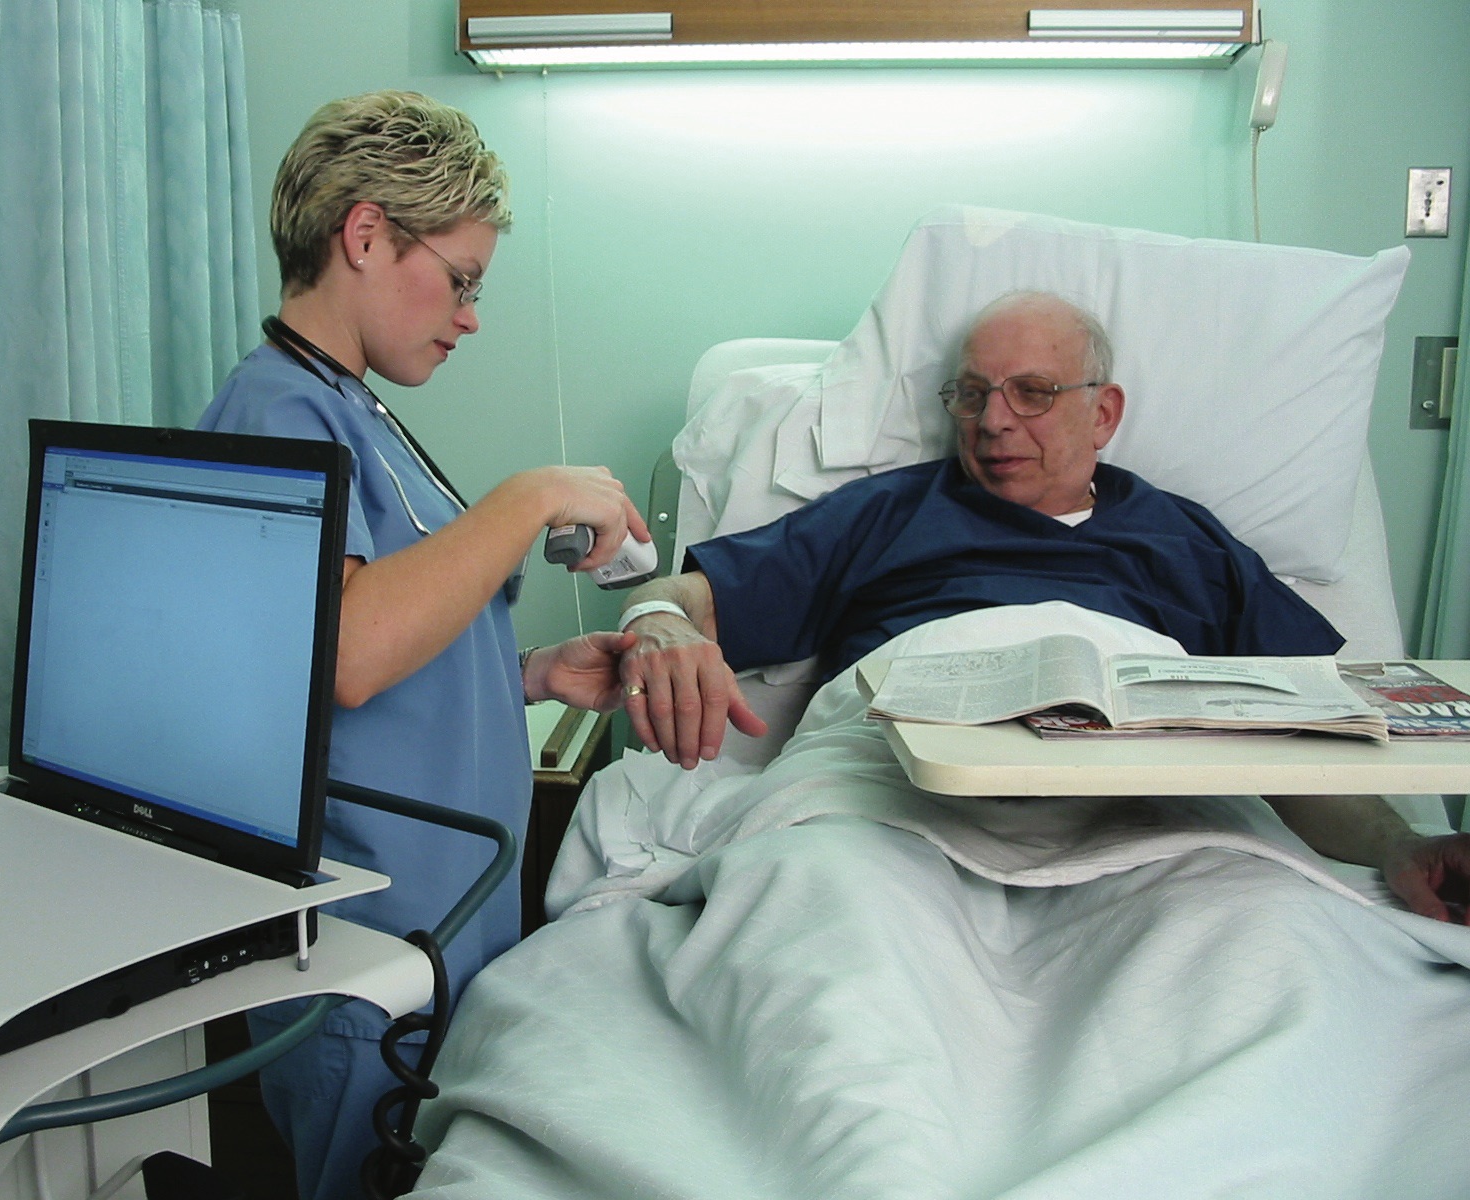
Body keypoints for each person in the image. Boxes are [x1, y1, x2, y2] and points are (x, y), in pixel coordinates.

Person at [614, 290, 1470, 923]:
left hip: (1156, 814)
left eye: (1032, 391)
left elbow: (1305, 738)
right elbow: (685, 597)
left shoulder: (1187, 542)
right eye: (972, 393)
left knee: (1252, 934)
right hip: (889, 798)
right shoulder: (887, 512)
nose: (993, 421)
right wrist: (655, 622)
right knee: (824, 920)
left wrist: (1400, 846)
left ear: (1104, 413)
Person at [196, 91, 650, 1199]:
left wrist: (528, 674)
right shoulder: (276, 412)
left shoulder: (350, 409)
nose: (470, 317)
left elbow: (397, 626)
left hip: (442, 925)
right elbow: (346, 650)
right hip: (366, 949)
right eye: (461, 279)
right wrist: (529, 495)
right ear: (365, 235)